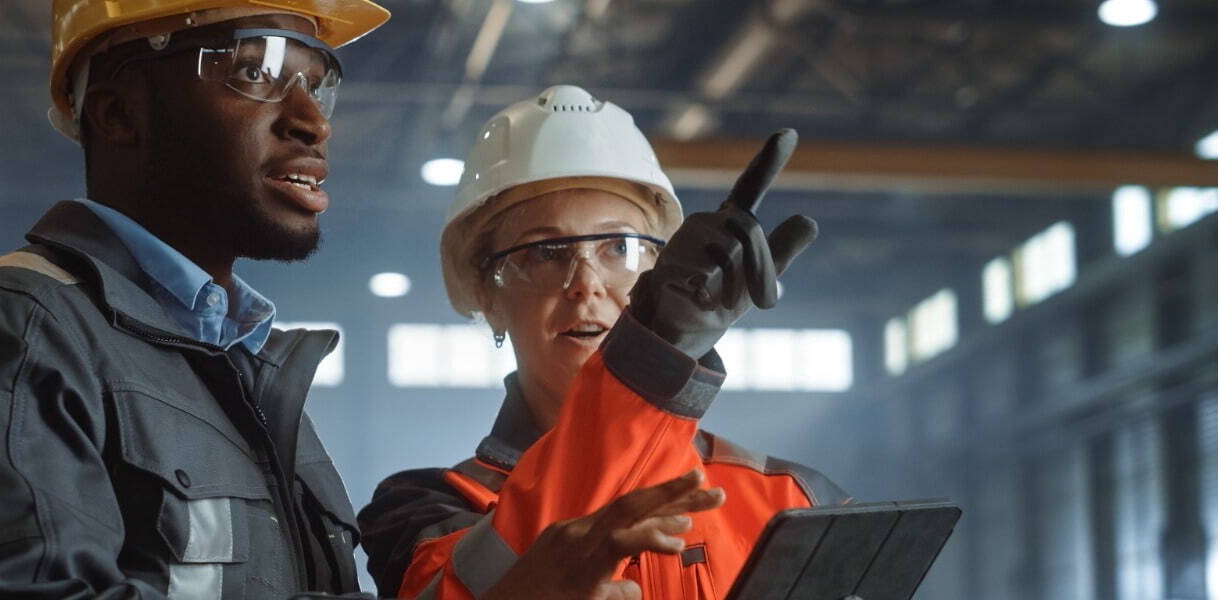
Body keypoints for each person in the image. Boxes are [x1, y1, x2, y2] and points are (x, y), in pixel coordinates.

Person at [0, 1, 390, 597]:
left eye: (317, 87)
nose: (313, 122)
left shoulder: (242, 370)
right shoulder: (20, 332)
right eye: (253, 73)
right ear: (118, 115)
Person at [357, 85, 849, 600]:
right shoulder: (427, 511)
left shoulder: (793, 502)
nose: (586, 283)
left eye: (619, 247)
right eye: (544, 252)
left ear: (665, 270)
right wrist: (655, 356)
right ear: (488, 295)